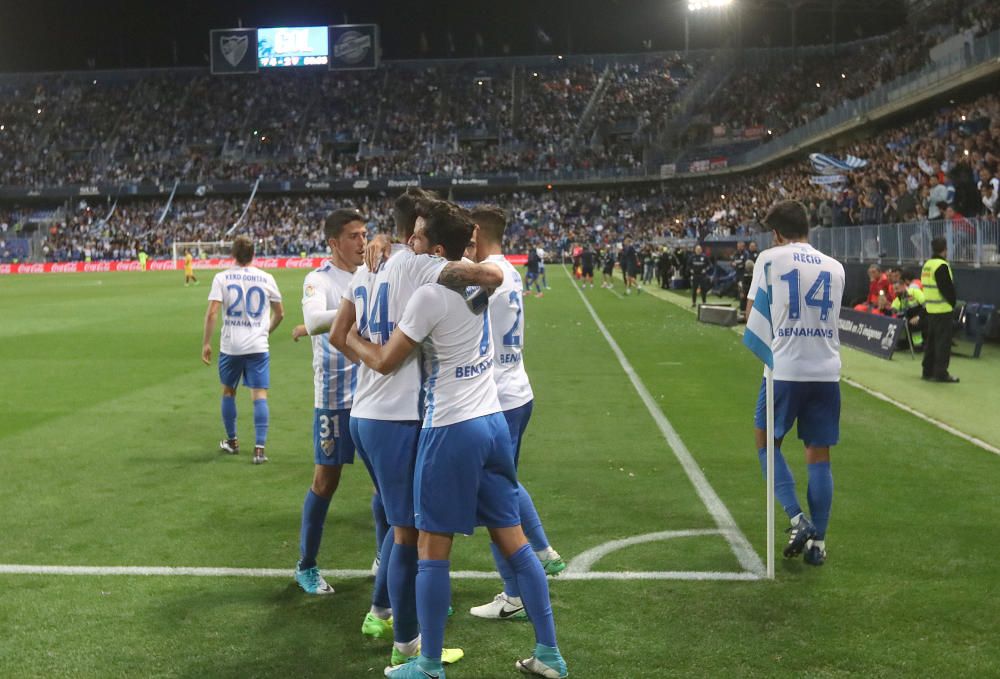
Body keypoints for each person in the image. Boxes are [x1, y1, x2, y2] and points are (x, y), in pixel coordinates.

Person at [347, 202, 567, 679]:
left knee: (430, 550)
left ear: (437, 247)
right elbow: (488, 272)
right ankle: (549, 653)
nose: (413, 241)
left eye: (420, 236)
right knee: (515, 542)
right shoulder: (483, 278)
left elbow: (385, 361)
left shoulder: (429, 294)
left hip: (450, 427)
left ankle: (427, 665)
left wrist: (349, 340)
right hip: (491, 421)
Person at [329, 190, 502, 667]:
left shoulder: (366, 268)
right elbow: (487, 276)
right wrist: (381, 361)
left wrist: (367, 356)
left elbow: (338, 334)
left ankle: (383, 608)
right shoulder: (421, 266)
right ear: (418, 236)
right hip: (400, 416)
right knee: (407, 532)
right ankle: (407, 641)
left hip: (363, 414)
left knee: (393, 517)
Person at [467, 205, 565, 621]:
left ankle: (516, 591)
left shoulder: (485, 276)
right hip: (516, 390)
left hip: (498, 397)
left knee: (494, 500)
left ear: (475, 233)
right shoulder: (510, 269)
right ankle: (542, 550)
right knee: (502, 485)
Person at [746, 200, 845, 567]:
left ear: (776, 233)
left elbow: (753, 314)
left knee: (766, 442)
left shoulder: (770, 259)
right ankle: (817, 544)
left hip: (786, 368)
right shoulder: (835, 267)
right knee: (819, 455)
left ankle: (796, 518)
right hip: (826, 371)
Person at [288, 209, 367, 595]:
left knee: (388, 481)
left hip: (374, 394)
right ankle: (307, 565)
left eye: (364, 234)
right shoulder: (318, 279)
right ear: (334, 243)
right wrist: (366, 306)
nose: (362, 242)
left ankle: (388, 559)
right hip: (334, 397)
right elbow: (316, 319)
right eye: (353, 235)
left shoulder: (371, 275)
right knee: (325, 480)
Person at [201, 235, 284, 465]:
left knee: (229, 391)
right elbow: (280, 313)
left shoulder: (222, 277)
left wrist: (206, 343)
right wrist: (265, 331)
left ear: (233, 255)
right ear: (253, 254)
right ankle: (259, 449)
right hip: (258, 345)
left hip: (231, 346)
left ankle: (233, 441)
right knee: (259, 394)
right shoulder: (266, 277)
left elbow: (212, 313)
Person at [921, 236, 959, 383]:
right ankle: (940, 373)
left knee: (931, 342)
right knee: (943, 343)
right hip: (943, 309)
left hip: (931, 309)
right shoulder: (941, 265)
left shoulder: (927, 265)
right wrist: (952, 302)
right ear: (945, 249)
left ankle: (927, 370)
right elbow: (947, 288)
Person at [732, 241, 750, 308]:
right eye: (738, 246)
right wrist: (733, 264)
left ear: (743, 246)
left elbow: (746, 263)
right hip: (737, 274)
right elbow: (732, 262)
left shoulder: (746, 254)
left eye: (740, 246)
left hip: (744, 275)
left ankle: (744, 304)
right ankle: (740, 302)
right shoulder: (735, 254)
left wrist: (739, 265)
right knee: (739, 288)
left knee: (743, 289)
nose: (739, 247)